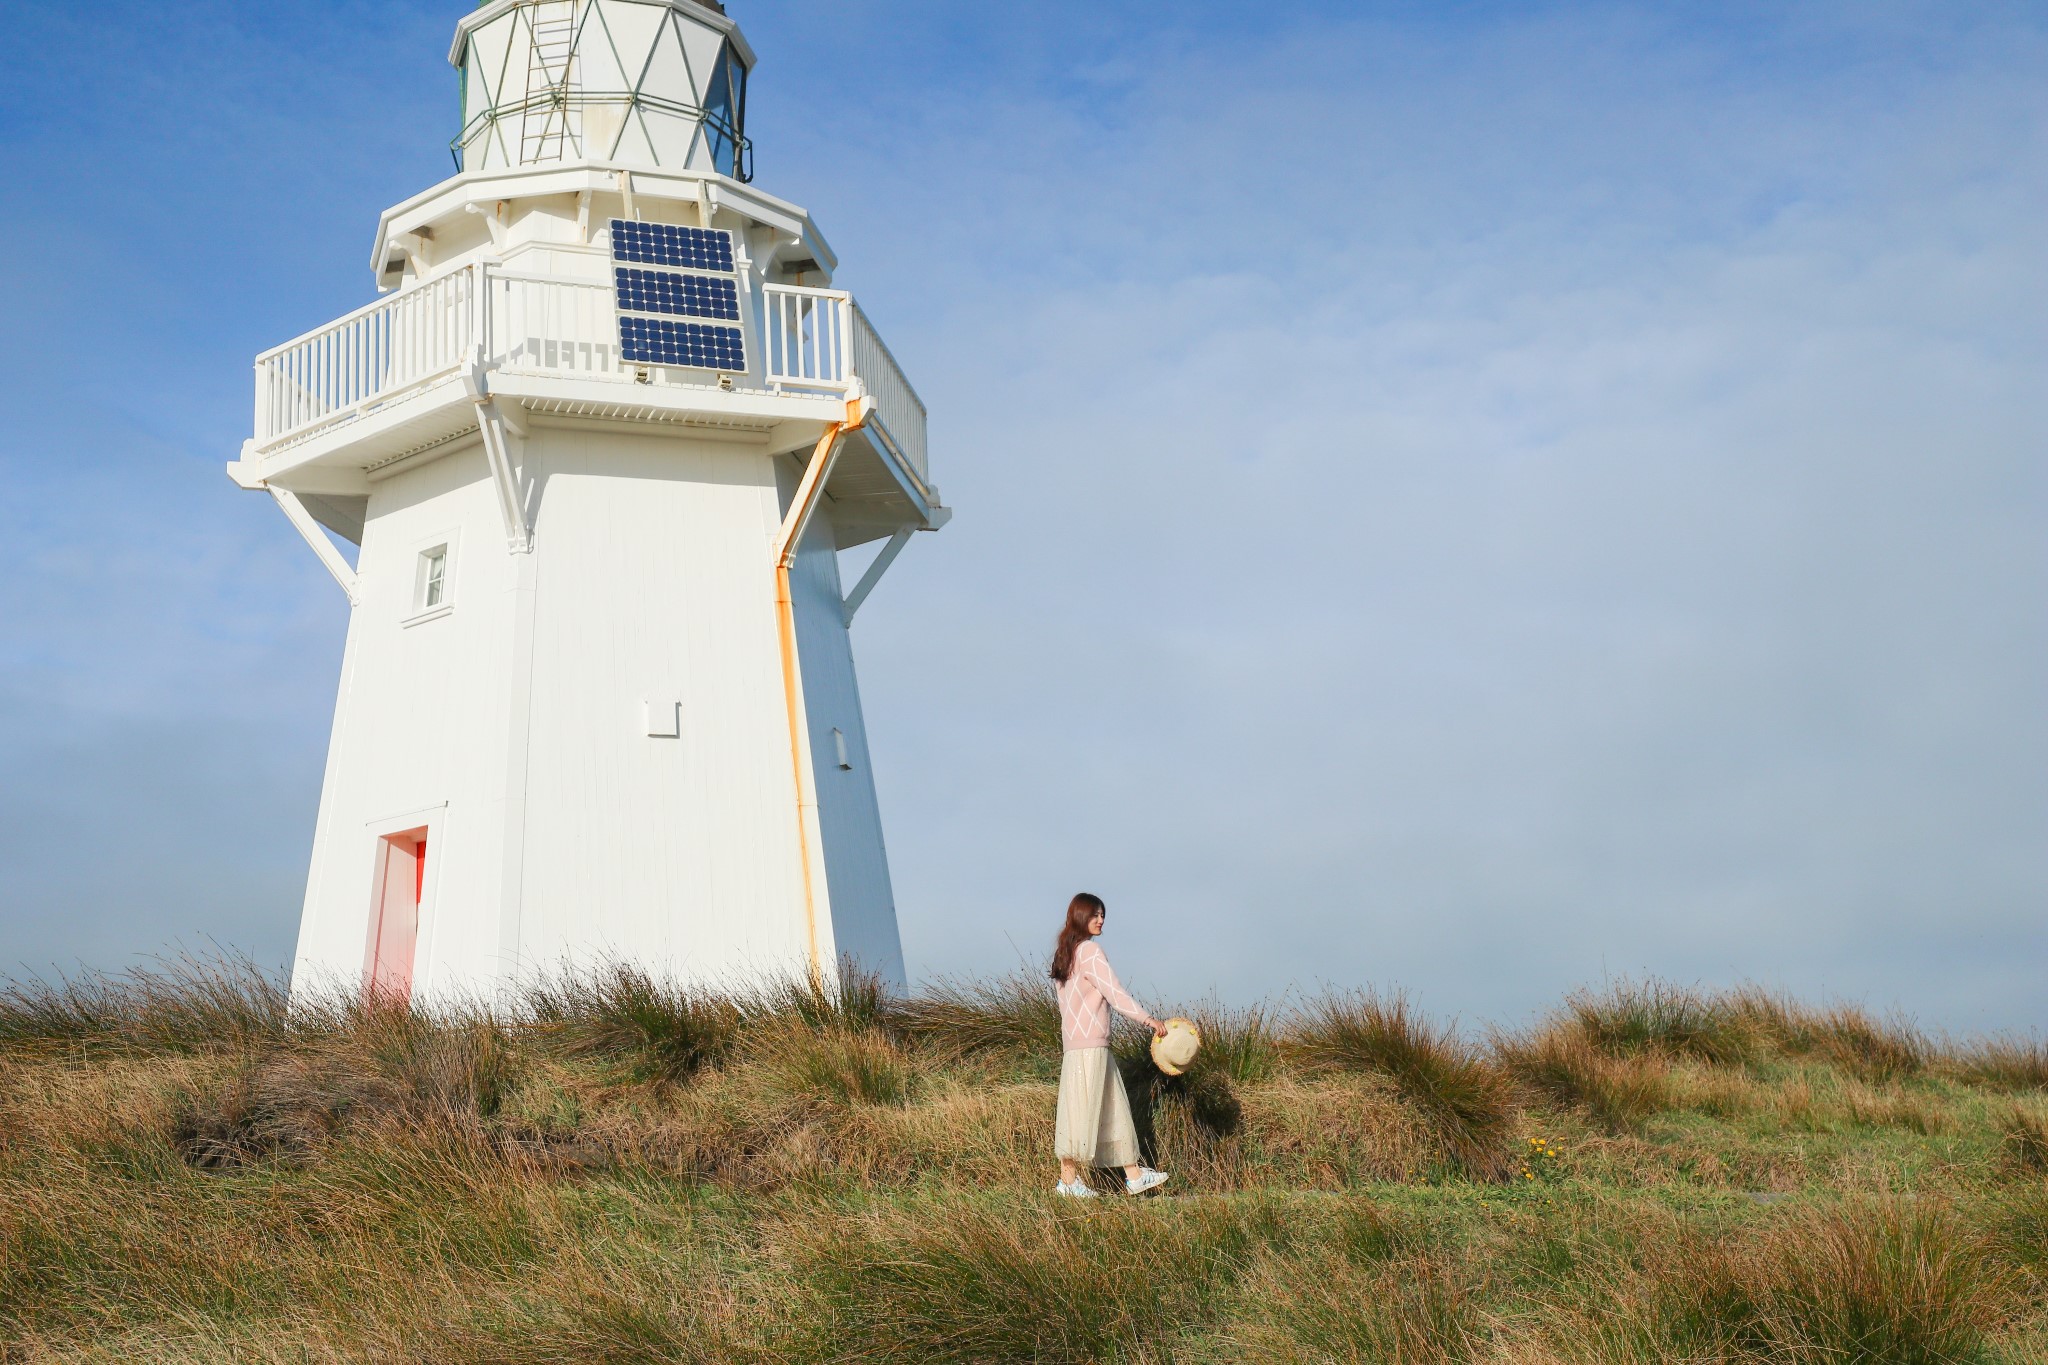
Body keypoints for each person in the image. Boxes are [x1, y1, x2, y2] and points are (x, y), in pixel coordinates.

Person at [1049, 892, 1171, 1198]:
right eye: (1094, 915)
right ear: (1080, 917)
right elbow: (1115, 993)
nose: (1101, 921)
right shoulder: (1089, 951)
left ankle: (1130, 1175)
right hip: (1092, 1046)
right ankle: (1069, 1181)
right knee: (1092, 1110)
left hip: (1075, 1047)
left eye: (1103, 915)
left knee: (1102, 1108)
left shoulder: (1065, 955)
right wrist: (1148, 1020)